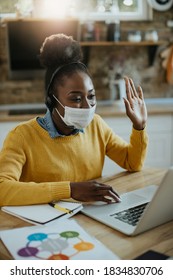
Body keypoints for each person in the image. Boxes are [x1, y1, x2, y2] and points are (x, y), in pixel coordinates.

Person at [0, 33, 148, 206]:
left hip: (90, 217)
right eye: (76, 99)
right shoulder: (22, 137)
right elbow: (3, 189)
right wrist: (70, 189)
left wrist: (139, 126)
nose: (87, 106)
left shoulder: (97, 126)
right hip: (44, 227)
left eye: (91, 96)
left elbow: (133, 163)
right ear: (51, 99)